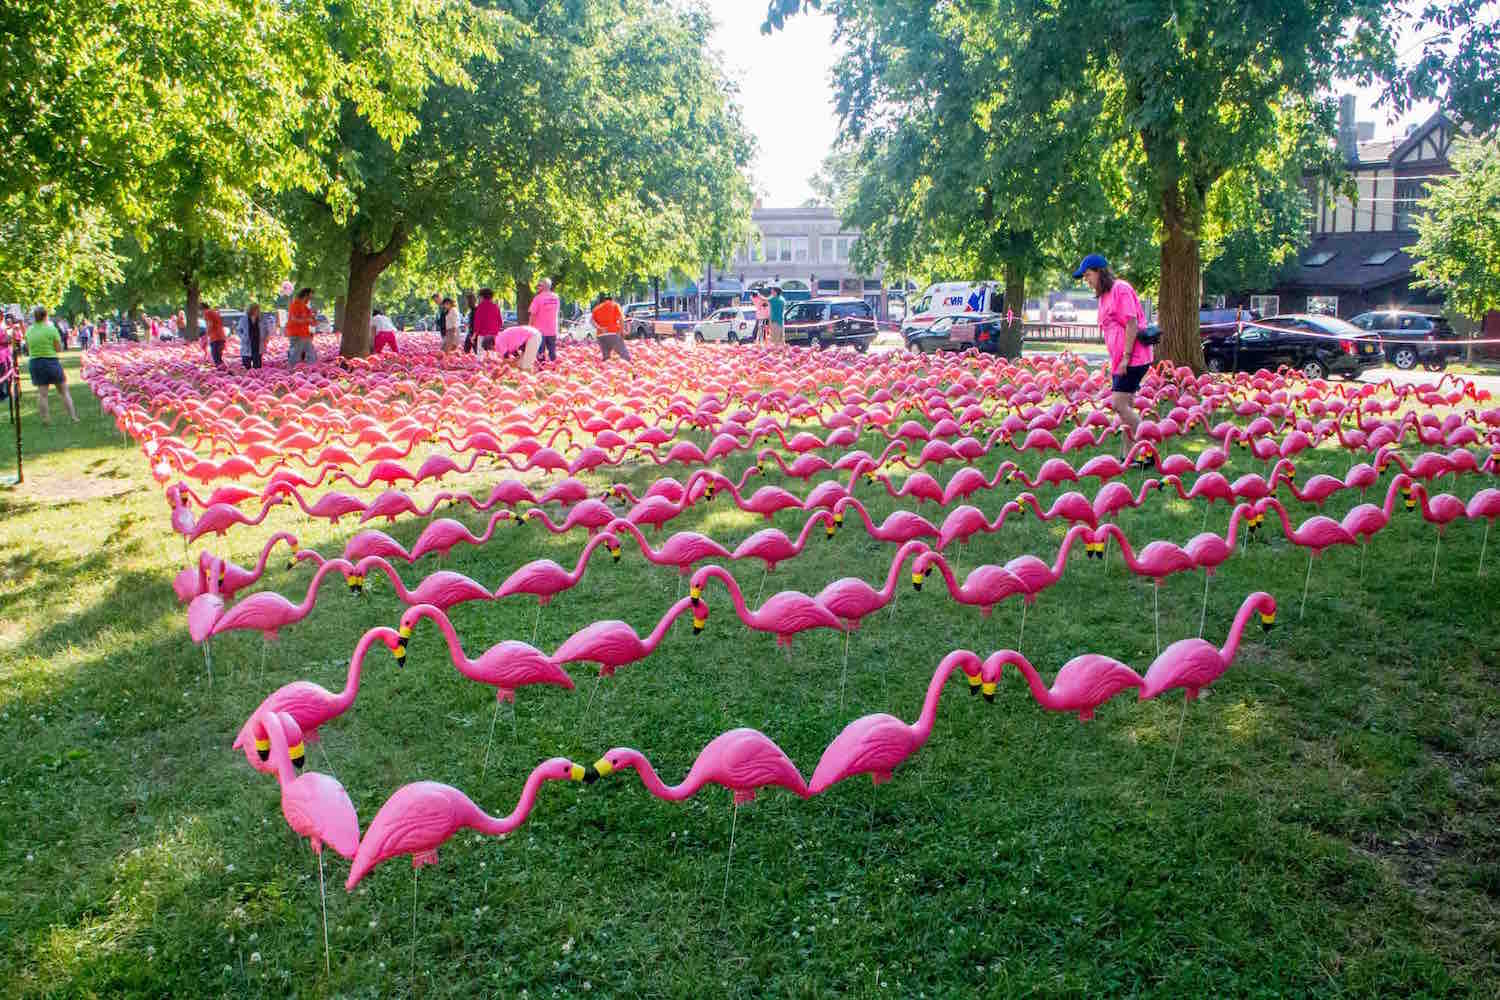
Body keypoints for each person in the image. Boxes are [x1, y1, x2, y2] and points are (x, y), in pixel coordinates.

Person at [1074, 253, 1150, 455]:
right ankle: (1128, 455)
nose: (1087, 281)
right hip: (1120, 360)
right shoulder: (1104, 295)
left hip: (1134, 358)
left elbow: (1131, 322)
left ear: (1100, 272)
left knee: (1118, 404)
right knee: (1126, 407)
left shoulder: (1120, 289)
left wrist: (1125, 357)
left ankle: (1147, 448)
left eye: (1088, 275)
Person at [24, 306, 78, 423]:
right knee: (64, 391)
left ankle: (46, 418)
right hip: (51, 361)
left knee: (42, 394)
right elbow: (58, 348)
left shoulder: (29, 330)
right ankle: (73, 416)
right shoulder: (51, 329)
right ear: (46, 316)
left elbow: (27, 348)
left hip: (35, 362)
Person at [590, 291, 629, 363]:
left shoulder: (596, 308)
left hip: (601, 335)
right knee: (625, 356)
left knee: (606, 358)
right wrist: (622, 331)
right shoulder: (614, 305)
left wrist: (599, 328)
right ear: (612, 299)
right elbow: (621, 319)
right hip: (613, 333)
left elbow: (591, 321)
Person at [528, 278, 560, 363]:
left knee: (540, 354)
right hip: (552, 330)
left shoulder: (537, 298)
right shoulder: (556, 298)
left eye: (539, 285)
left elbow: (532, 314)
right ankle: (554, 371)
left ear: (544, 287)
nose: (537, 287)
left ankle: (541, 372)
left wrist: (529, 329)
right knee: (552, 354)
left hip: (539, 331)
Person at [286, 287, 317, 365]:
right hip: (296, 334)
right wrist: (307, 320)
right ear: (306, 295)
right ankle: (291, 372)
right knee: (295, 356)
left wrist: (313, 318)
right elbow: (294, 319)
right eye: (310, 297)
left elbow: (312, 322)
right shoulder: (295, 304)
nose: (311, 299)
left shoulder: (305, 307)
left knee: (311, 355)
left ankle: (311, 371)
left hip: (305, 335)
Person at [471, 288, 502, 354]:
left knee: (480, 352)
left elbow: (477, 322)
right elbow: (500, 321)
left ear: (482, 297)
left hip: (482, 334)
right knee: (493, 353)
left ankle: (480, 363)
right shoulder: (496, 307)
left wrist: (474, 335)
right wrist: (496, 331)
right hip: (493, 334)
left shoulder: (480, 307)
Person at [237, 304, 264, 369]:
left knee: (257, 367)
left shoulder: (261, 319)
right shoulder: (243, 319)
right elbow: (239, 330)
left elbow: (266, 330)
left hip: (257, 344)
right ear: (252, 310)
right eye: (257, 310)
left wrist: (265, 338)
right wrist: (243, 337)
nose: (258, 311)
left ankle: (257, 377)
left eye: (258, 310)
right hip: (247, 343)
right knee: (246, 366)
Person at [203, 302, 227, 366]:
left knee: (216, 356)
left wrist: (206, 334)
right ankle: (223, 372)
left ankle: (223, 372)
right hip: (221, 336)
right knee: (218, 357)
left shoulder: (207, 312)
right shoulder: (213, 312)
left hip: (216, 337)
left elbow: (210, 324)